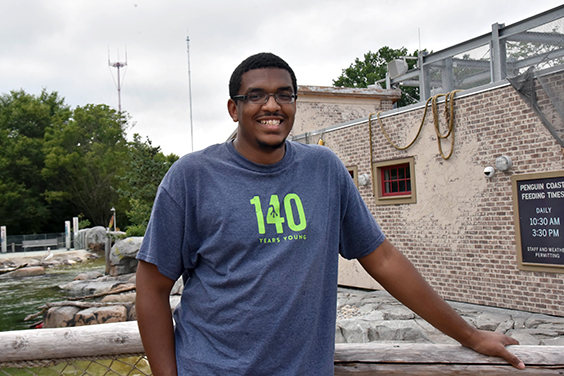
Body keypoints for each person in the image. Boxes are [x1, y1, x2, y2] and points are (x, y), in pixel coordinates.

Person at [135, 52, 525, 375]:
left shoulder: (324, 170)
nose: (272, 105)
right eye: (256, 96)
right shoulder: (192, 177)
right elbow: (152, 288)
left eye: (283, 95)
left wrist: (470, 335)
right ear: (234, 109)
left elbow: (384, 259)